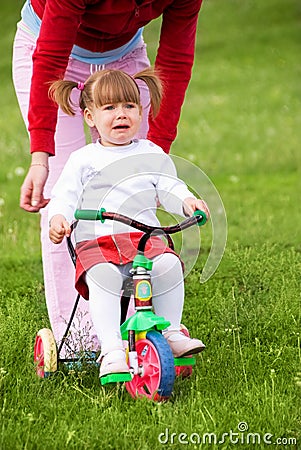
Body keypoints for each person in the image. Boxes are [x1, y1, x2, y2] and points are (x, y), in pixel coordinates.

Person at [12, 0, 204, 354]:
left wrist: (153, 155)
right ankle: (81, 339)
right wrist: (40, 156)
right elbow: (52, 55)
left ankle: (140, 331)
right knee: (61, 198)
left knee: (135, 190)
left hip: (125, 58)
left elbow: (176, 62)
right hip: (54, 52)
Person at [47, 67, 209, 379]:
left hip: (144, 240)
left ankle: (172, 333)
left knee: (169, 266)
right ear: (90, 117)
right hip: (99, 242)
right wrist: (59, 218)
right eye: (109, 108)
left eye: (129, 106)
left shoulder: (151, 152)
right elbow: (64, 197)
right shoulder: (83, 159)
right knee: (104, 276)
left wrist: (187, 202)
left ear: (140, 112)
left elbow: (169, 188)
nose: (121, 114)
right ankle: (111, 349)